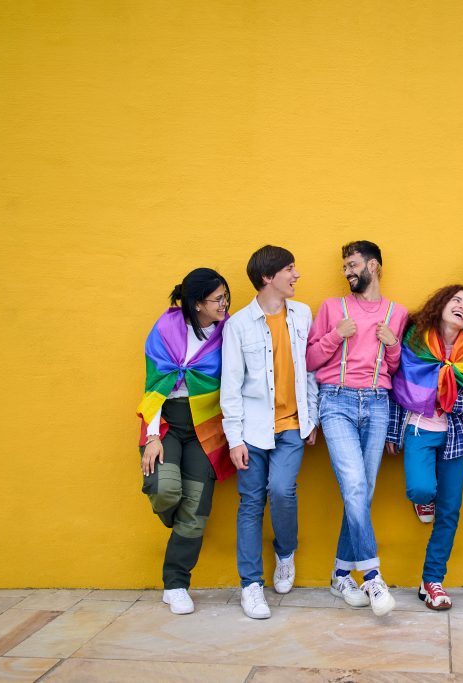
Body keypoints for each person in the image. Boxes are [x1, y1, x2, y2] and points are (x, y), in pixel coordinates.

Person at [307, 240, 409, 616]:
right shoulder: (333, 308)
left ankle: (339, 573)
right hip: (336, 402)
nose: (348, 272)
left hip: (378, 405)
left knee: (361, 494)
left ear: (375, 266)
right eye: (344, 267)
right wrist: (337, 335)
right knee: (353, 485)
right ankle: (372, 576)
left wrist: (393, 345)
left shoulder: (398, 313)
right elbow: (311, 359)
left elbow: (395, 370)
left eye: (353, 265)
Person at [220, 246, 319, 620]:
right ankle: (250, 586)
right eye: (290, 269)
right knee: (249, 504)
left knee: (281, 490)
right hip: (251, 430)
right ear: (267, 277)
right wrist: (234, 439)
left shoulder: (302, 314)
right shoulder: (238, 325)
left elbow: (308, 371)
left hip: (292, 426)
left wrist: (312, 418)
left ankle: (285, 551)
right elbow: (230, 387)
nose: (296, 276)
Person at [385, 285, 463, 610]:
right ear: (441, 304)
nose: (462, 306)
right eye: (456, 300)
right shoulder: (416, 340)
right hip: (419, 428)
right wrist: (394, 434)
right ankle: (425, 501)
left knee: (449, 513)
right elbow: (398, 386)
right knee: (420, 489)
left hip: (457, 435)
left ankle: (432, 580)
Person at [137, 268, 234, 615]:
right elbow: (153, 384)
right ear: (197, 303)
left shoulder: (228, 333)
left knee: (195, 512)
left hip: (206, 428)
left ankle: (175, 584)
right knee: (165, 490)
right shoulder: (166, 328)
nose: (224, 304)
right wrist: (151, 436)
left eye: (226, 296)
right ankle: (177, 525)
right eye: (217, 299)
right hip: (166, 423)